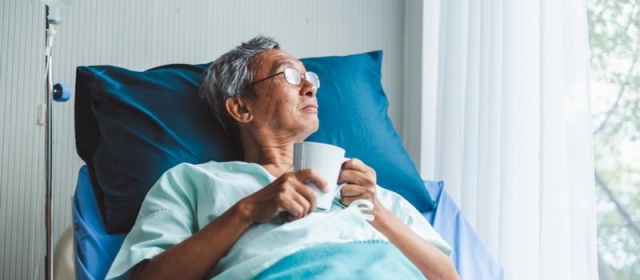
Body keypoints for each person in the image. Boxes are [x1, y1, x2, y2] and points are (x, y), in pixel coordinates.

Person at [106, 36, 460, 280]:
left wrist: (377, 212)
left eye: (310, 77)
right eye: (291, 75)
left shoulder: (360, 186)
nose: (310, 86)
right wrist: (246, 211)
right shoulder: (193, 182)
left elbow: (446, 275)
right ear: (241, 108)